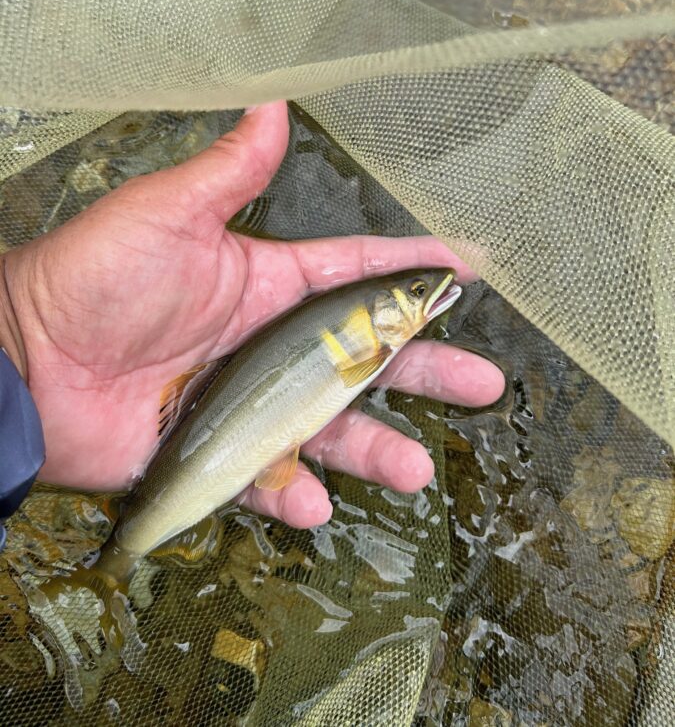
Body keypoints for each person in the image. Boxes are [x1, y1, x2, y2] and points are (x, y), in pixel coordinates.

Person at [0, 102, 504, 548]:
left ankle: (122, 551)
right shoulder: (372, 350)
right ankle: (123, 556)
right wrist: (20, 322)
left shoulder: (371, 342)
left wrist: (18, 326)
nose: (427, 293)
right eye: (416, 294)